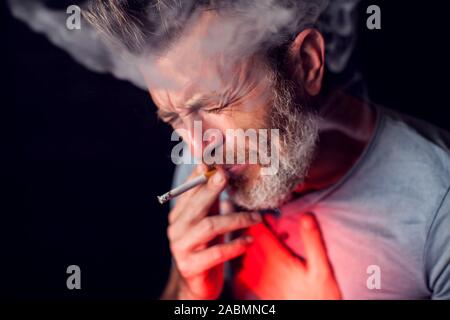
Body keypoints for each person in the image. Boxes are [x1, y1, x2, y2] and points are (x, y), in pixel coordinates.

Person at [86, 0, 450, 299]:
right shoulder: (212, 167)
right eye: (175, 120)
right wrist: (188, 292)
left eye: (214, 105)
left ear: (305, 64)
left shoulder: (439, 207)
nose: (199, 149)